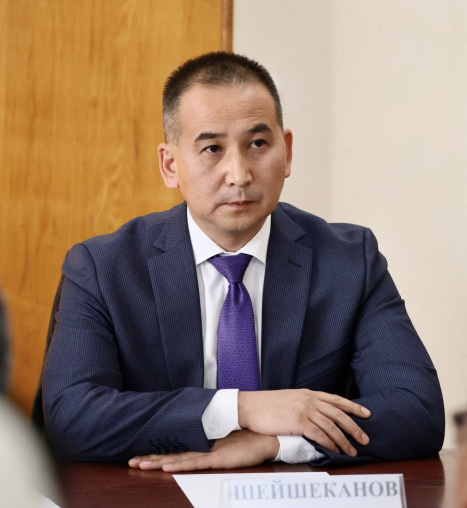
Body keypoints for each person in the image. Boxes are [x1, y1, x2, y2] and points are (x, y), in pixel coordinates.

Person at [41, 51, 444, 470]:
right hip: (153, 499)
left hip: (298, 505)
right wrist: (242, 409)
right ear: (170, 165)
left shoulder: (348, 262)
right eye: (212, 148)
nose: (239, 174)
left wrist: (276, 443)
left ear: (287, 152)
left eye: (257, 144)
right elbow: (72, 418)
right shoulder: (103, 268)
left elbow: (417, 411)